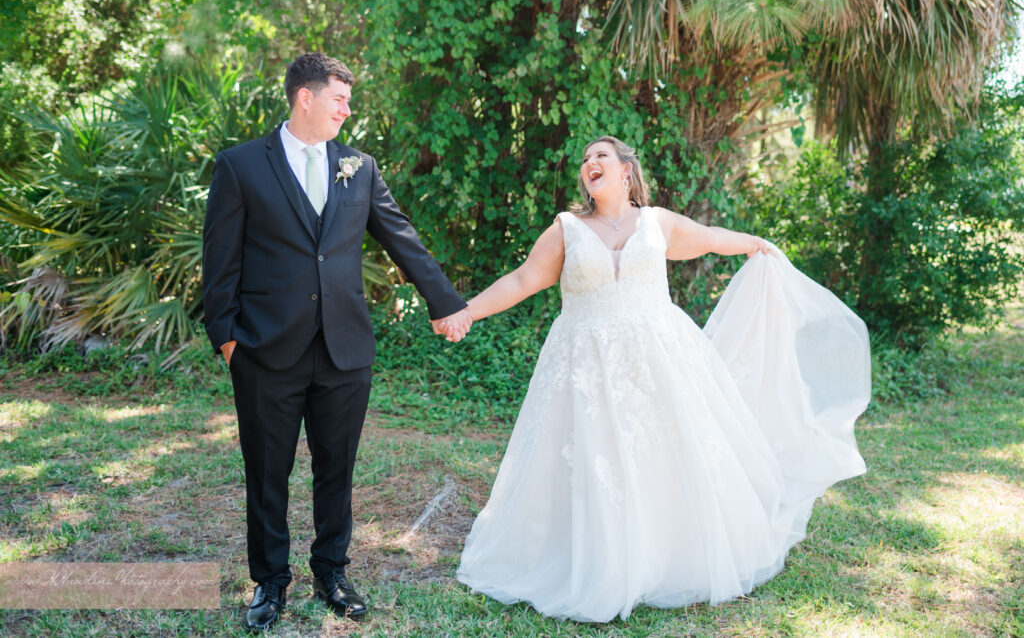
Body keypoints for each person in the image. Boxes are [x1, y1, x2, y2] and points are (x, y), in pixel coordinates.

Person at [454, 135, 870, 622]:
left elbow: (710, 238)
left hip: (659, 358)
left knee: (666, 455)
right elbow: (523, 280)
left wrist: (757, 244)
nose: (590, 163)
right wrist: (466, 313)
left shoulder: (657, 223)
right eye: (585, 159)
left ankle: (668, 555)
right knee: (595, 460)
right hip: (585, 364)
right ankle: (593, 561)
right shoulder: (566, 229)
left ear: (626, 170)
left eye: (601, 156)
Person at [202, 52, 472, 632]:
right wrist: (228, 339)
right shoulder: (242, 165)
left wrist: (445, 302)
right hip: (265, 350)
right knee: (267, 472)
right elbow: (219, 264)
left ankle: (332, 571)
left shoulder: (359, 166)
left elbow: (401, 236)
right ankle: (270, 583)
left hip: (345, 350)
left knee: (337, 469)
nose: (348, 111)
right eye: (340, 100)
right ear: (306, 97)